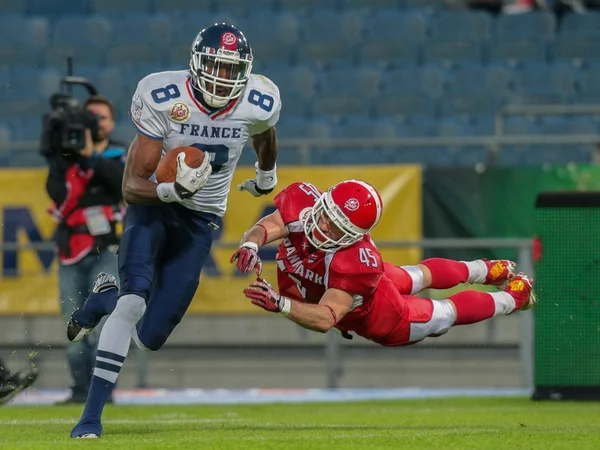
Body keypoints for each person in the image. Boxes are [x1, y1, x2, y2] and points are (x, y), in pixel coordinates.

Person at [67, 22, 281, 438]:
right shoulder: (165, 95)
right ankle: (90, 418)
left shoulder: (259, 99)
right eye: (215, 66)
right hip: (153, 207)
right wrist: (171, 189)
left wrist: (267, 174)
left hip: (202, 219)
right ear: (197, 64)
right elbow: (132, 185)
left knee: (150, 337)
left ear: (245, 71)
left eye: (231, 69)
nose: (221, 78)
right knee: (133, 302)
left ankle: (100, 300)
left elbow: (264, 133)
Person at [231, 180, 536, 347]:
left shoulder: (354, 261)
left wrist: (280, 304)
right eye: (325, 214)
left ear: (355, 237)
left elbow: (326, 318)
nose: (323, 226)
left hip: (381, 314)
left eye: (337, 228)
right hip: (358, 281)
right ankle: (485, 268)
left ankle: (512, 297)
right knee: (415, 275)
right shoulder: (302, 201)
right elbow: (268, 225)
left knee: (444, 313)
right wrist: (250, 244)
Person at [43, 95, 128, 404]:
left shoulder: (121, 152)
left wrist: (91, 156)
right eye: (92, 117)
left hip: (106, 247)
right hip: (70, 248)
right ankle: (81, 390)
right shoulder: (66, 154)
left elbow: (122, 184)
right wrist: (61, 154)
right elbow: (53, 191)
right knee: (74, 324)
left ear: (112, 122)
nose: (97, 123)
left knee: (106, 319)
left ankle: (103, 389)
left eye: (102, 118)